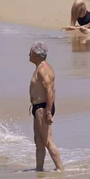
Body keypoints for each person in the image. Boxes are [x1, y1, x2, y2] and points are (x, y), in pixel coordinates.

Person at [29, 42, 63, 172]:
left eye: (30, 52)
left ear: (36, 55)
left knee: (47, 140)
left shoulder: (43, 69)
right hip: (38, 107)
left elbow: (50, 91)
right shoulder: (39, 67)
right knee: (39, 142)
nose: (29, 55)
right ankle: (39, 170)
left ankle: (60, 169)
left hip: (43, 108)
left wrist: (48, 112)